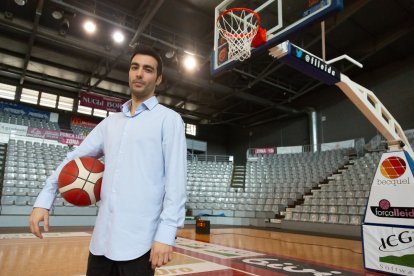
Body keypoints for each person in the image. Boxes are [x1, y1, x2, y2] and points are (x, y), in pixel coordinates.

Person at [29, 45, 187, 276]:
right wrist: (45, 198)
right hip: (102, 242)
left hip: (140, 243)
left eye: (148, 69)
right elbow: (74, 158)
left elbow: (176, 181)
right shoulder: (109, 123)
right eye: (135, 67)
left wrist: (167, 232)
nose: (139, 74)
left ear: (159, 78)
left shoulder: (169, 120)